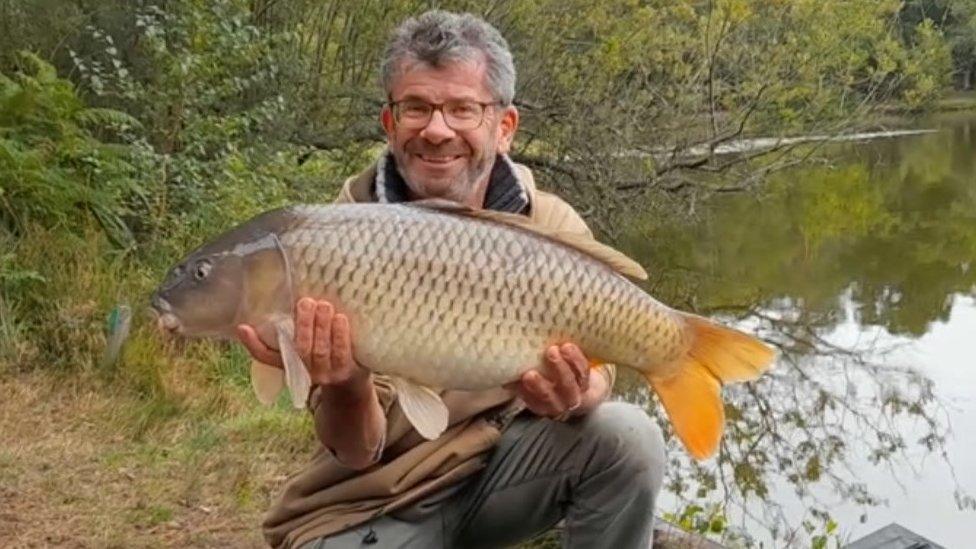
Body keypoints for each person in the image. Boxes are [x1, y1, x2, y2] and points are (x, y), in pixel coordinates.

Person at [238, 10, 666, 549]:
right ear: (389, 123)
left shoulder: (548, 225)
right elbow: (355, 450)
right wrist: (346, 383)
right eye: (416, 107)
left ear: (503, 127)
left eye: (462, 109)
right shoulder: (331, 240)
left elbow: (600, 372)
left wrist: (580, 392)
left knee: (628, 436)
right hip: (374, 501)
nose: (437, 130)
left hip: (500, 479)